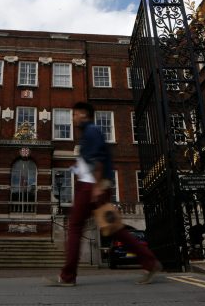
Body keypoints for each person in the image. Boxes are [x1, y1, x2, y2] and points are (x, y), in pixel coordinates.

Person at [46, 101, 162, 286]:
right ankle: (150, 262)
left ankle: (67, 277)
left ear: (84, 114)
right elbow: (96, 159)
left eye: (75, 114)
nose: (73, 117)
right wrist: (78, 169)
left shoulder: (91, 131)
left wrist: (97, 186)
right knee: (115, 229)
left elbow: (98, 160)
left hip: (90, 187)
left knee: (75, 227)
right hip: (95, 186)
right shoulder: (90, 132)